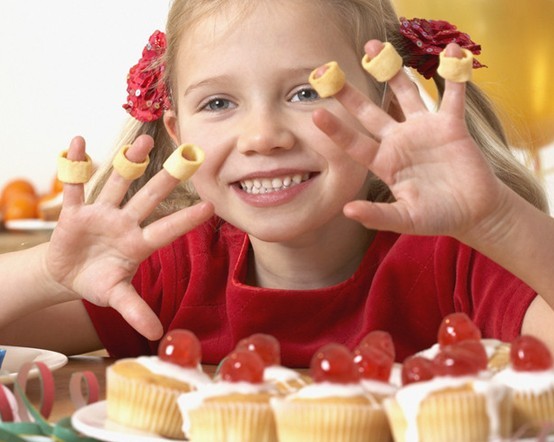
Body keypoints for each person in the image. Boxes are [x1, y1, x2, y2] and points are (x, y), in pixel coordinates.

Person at [1, 0, 554, 367]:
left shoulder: (454, 263)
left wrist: (499, 221)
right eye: (218, 103)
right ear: (177, 133)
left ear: (384, 111)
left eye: (307, 92)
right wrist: (48, 271)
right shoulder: (172, 271)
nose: (262, 137)